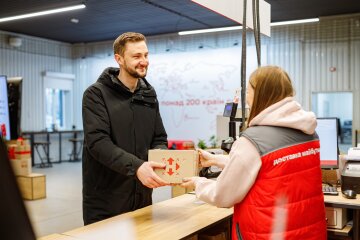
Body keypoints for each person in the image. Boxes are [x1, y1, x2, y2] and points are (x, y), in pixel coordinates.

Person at [182, 66, 327, 239]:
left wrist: (198, 183)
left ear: (261, 95)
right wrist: (215, 160)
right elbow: (271, 169)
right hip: (308, 231)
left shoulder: (252, 140)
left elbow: (223, 196)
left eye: (249, 92)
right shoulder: (308, 132)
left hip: (267, 233)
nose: (248, 100)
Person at [82, 32, 169, 225]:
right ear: (119, 59)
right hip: (106, 202)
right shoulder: (96, 94)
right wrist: (138, 167)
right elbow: (97, 143)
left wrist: (160, 159)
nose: (144, 61)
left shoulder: (148, 93)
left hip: (142, 198)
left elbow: (159, 137)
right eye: (136, 56)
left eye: (146, 55)